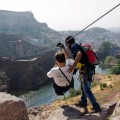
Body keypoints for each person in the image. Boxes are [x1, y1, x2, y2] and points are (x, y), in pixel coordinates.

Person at [64, 36, 101, 112]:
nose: (66, 46)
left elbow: (79, 54)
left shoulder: (73, 46)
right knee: (83, 87)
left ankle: (96, 106)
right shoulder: (75, 46)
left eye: (66, 44)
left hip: (87, 71)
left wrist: (73, 66)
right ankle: (83, 102)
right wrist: (80, 71)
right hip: (86, 70)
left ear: (68, 43)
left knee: (86, 89)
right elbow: (83, 61)